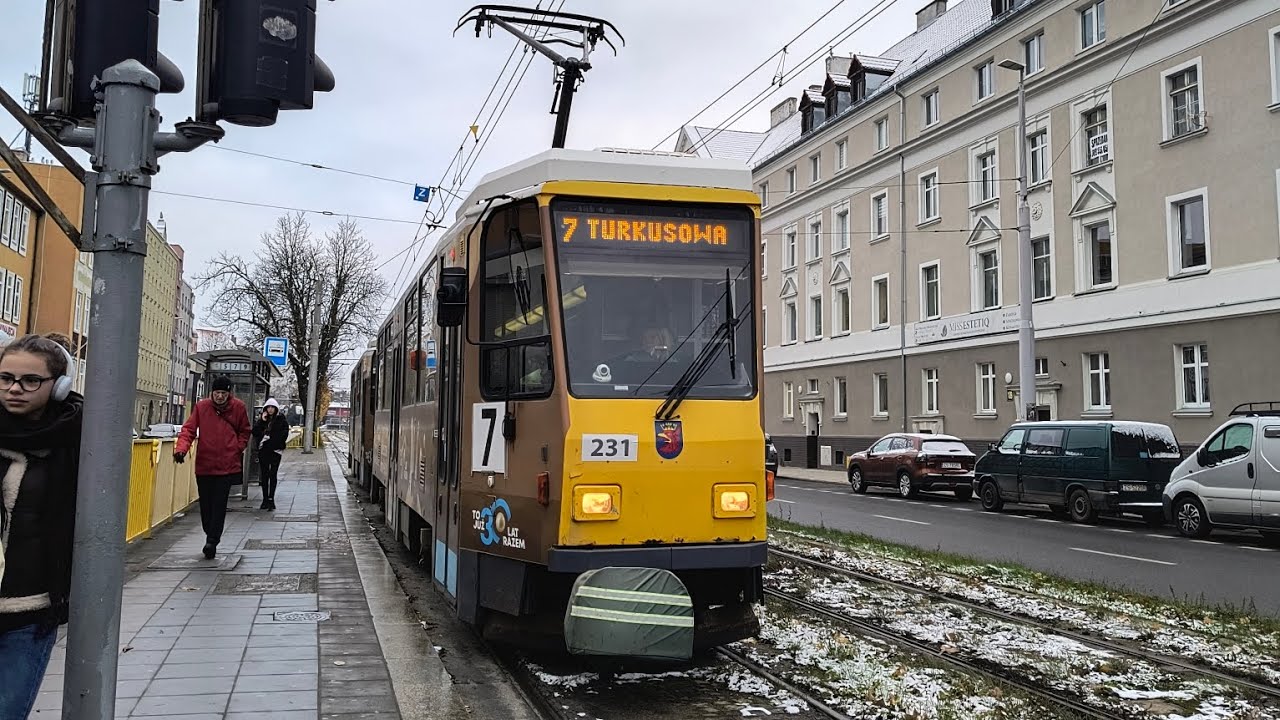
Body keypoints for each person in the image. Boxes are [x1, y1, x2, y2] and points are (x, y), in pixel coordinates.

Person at [0, 333, 83, 718]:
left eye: (30, 380)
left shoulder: (78, 438)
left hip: (27, 611)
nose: (15, 388)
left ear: (59, 387)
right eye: (5, 378)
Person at [174, 375, 250, 559]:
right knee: (206, 505)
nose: (220, 396)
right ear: (212, 393)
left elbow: (245, 431)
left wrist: (236, 448)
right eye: (217, 393)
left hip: (226, 466)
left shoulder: (238, 407)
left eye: (224, 393)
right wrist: (181, 450)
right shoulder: (202, 407)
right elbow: (189, 430)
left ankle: (212, 540)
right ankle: (210, 532)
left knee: (219, 505)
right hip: (205, 465)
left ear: (229, 393)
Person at [252, 398, 288, 511]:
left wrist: (271, 443)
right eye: (268, 407)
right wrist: (262, 421)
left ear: (276, 409)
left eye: (273, 407)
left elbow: (283, 434)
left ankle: (271, 498)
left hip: (275, 451)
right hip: (264, 451)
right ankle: (265, 499)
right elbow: (255, 432)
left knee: (273, 474)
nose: (270, 409)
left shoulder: (281, 420)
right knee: (264, 475)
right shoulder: (262, 420)